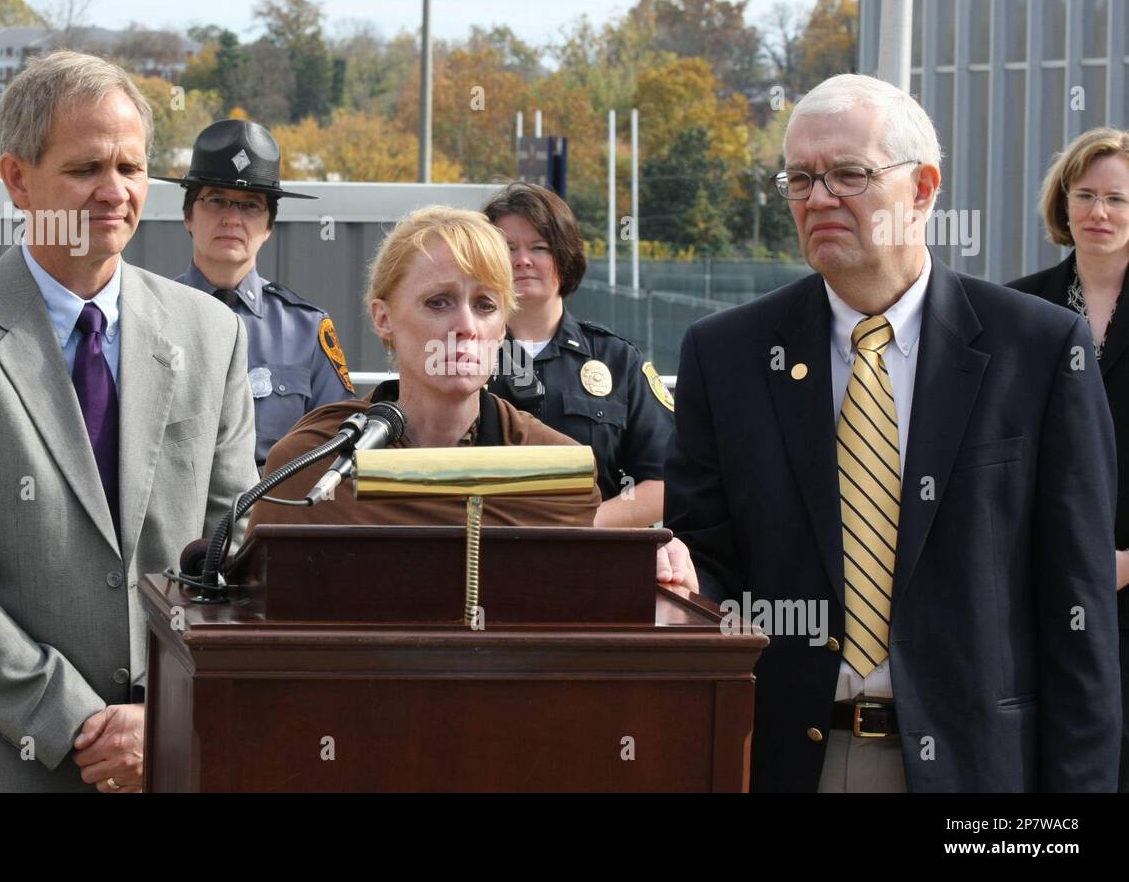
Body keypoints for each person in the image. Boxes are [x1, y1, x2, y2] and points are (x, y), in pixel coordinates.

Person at [664, 73, 1121, 792]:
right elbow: (706, 563)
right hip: (786, 759)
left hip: (979, 769)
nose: (819, 198)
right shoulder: (725, 356)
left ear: (924, 188)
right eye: (800, 178)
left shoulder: (1036, 350)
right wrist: (682, 579)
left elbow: (1080, 609)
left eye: (849, 174)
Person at [0, 51, 259, 793]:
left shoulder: (213, 334)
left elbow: (231, 558)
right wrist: (78, 720)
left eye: (131, 167)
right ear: (18, 179)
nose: (114, 192)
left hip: (166, 754)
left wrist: (164, 715)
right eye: (86, 169)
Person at [252, 207, 698, 590]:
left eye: (485, 305)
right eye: (439, 302)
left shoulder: (555, 468)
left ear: (503, 327)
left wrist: (648, 560)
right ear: (383, 318)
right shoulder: (312, 464)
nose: (465, 325)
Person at [1009, 126, 1129, 791]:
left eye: (1117, 198)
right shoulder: (1015, 307)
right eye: (1084, 194)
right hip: (1040, 587)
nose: (1099, 212)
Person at [160, 119, 356, 465]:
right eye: (216, 200)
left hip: (270, 513)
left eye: (250, 205)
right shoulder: (149, 317)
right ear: (188, 215)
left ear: (268, 226)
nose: (232, 219)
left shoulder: (306, 331)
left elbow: (336, 445)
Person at [483, 183, 674, 527]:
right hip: (485, 558)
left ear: (565, 257)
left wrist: (580, 527)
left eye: (539, 248)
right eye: (507, 248)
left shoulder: (617, 360)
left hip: (594, 561)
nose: (522, 260)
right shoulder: (462, 357)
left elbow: (665, 481)